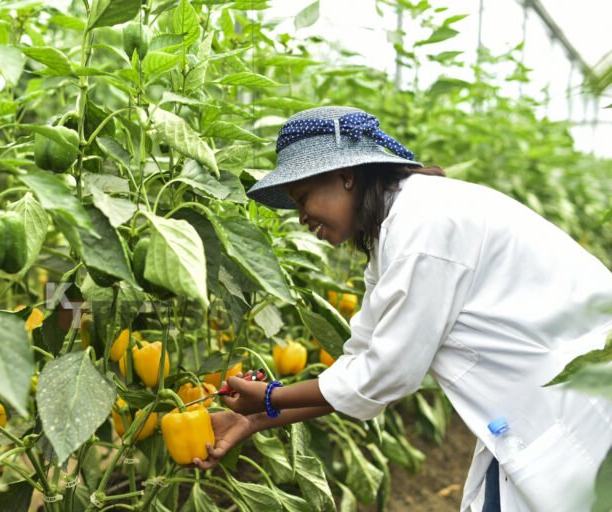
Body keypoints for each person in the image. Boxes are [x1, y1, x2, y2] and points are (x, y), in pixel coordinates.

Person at [191, 106, 612, 512]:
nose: (301, 217)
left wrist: (269, 398)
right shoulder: (400, 229)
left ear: (346, 175)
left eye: (303, 198)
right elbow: (361, 364)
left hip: (577, 407)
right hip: (539, 404)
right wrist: (257, 418)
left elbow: (385, 374)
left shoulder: (424, 226)